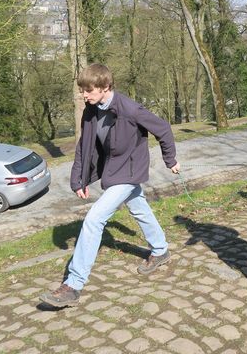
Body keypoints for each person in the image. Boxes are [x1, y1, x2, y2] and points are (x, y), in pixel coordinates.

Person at [40, 64, 180, 308]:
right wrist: (79, 180)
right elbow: (84, 146)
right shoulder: (91, 111)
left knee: (94, 219)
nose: (84, 95)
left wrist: (171, 160)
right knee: (139, 208)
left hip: (129, 170)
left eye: (89, 90)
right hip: (113, 170)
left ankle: (73, 285)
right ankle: (160, 250)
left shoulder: (130, 109)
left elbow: (164, 129)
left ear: (105, 87)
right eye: (82, 90)